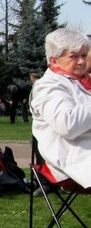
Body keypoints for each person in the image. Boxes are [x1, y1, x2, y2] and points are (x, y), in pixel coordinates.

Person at [30, 28, 91, 188]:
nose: (81, 62)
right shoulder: (47, 86)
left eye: (84, 55)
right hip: (73, 159)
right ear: (54, 60)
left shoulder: (83, 81)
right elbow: (68, 124)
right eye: (74, 56)